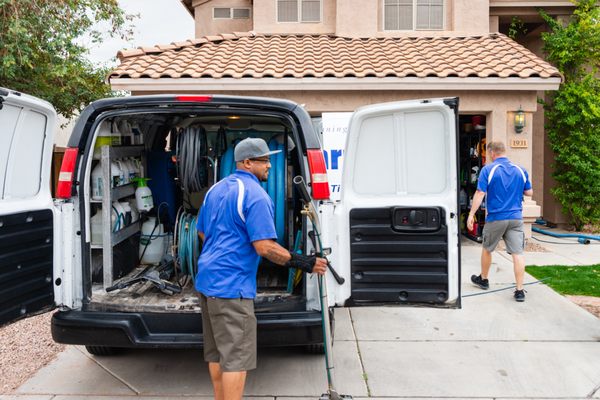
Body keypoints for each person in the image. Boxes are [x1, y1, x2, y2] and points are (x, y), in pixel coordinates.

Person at [195, 137, 328, 400]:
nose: (269, 165)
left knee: (217, 353)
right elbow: (265, 248)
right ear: (247, 163)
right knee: (236, 359)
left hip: (207, 281)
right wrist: (306, 263)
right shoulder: (256, 195)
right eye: (264, 160)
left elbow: (201, 233)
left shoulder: (215, 190)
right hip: (232, 289)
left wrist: (225, 248)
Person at [467, 141, 533, 302]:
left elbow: (480, 192)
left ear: (491, 153)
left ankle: (484, 279)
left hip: (496, 218)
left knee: (487, 248)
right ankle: (519, 290)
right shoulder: (520, 170)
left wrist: (471, 214)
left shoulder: (488, 170)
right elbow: (529, 192)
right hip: (516, 218)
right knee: (517, 254)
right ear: (504, 152)